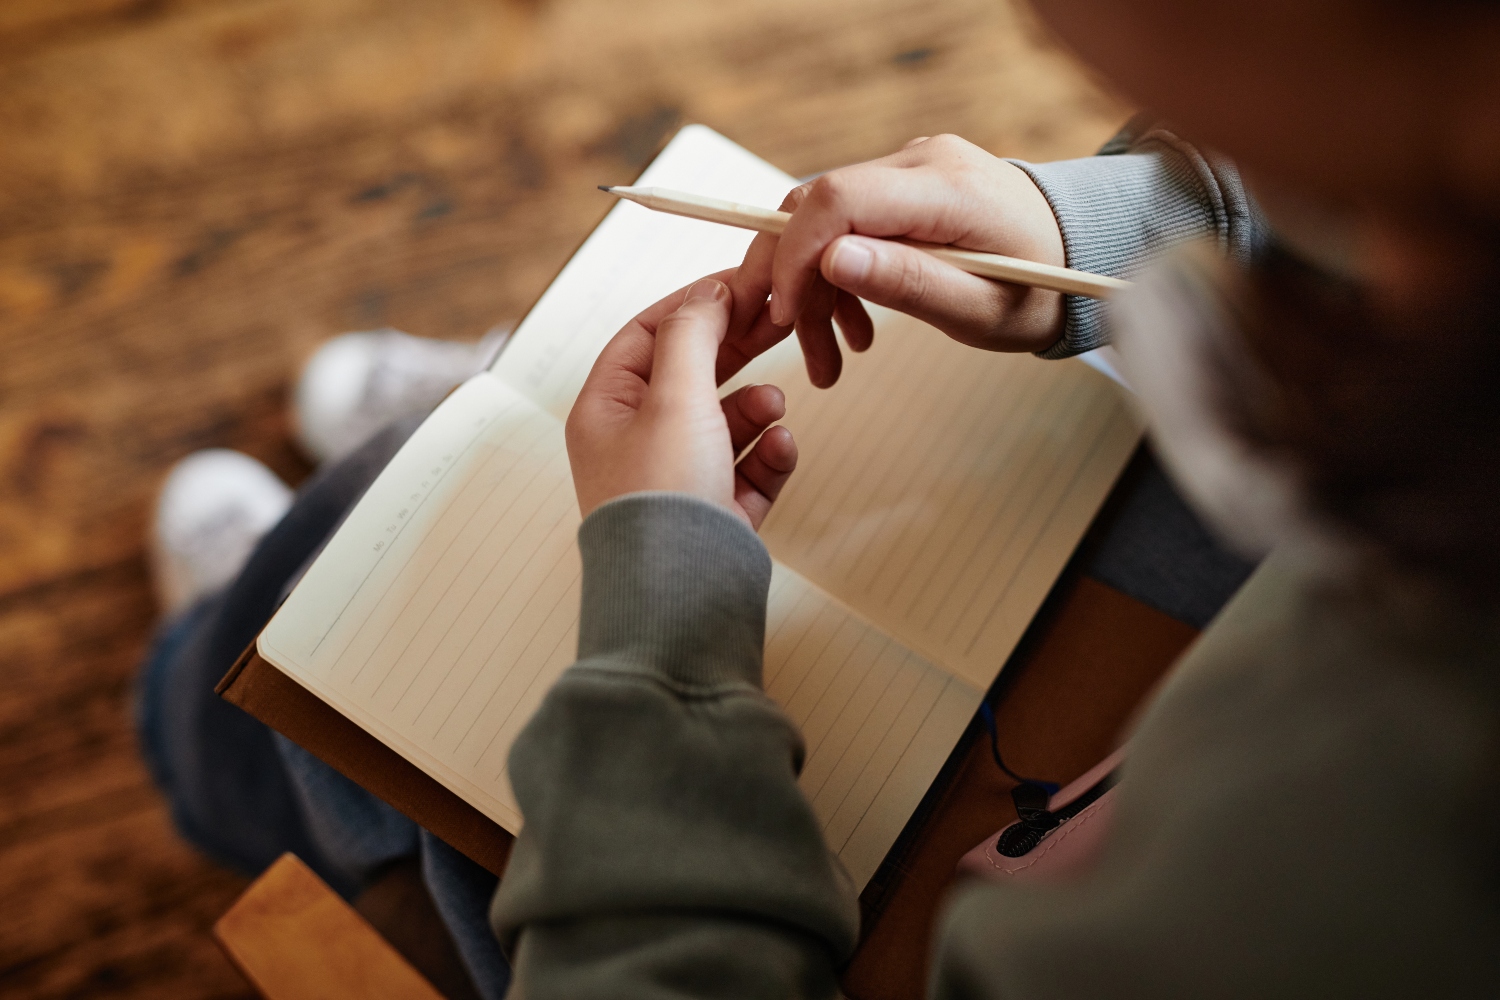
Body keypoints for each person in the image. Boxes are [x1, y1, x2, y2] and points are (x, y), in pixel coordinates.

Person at [138, 0, 1500, 996]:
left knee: (369, 600)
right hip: (1199, 575)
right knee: (455, 465)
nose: (1032, 29)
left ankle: (206, 733)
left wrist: (663, 623)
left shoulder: (1384, 845)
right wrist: (1125, 229)